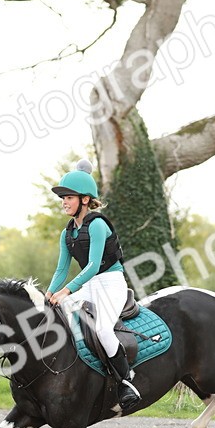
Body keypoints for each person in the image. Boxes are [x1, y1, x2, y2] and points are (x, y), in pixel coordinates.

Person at [45, 159, 142, 412]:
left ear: (85, 200)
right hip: (89, 285)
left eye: (68, 197)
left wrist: (66, 291)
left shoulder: (97, 224)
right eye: (62, 198)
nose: (64, 202)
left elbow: (93, 265)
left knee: (102, 330)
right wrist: (49, 293)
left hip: (111, 283)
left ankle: (126, 382)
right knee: (57, 315)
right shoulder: (66, 233)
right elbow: (61, 269)